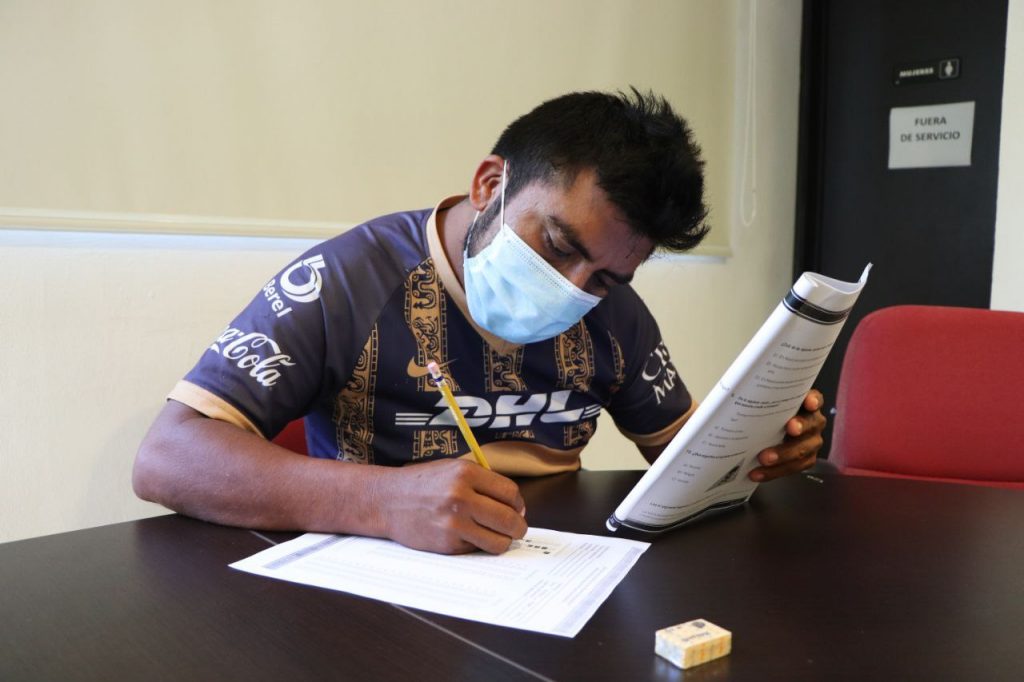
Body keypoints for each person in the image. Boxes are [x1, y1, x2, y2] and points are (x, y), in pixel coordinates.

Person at [133, 89, 825, 555]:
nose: (572, 288)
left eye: (606, 277)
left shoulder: (612, 312)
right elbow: (167, 457)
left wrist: (762, 447)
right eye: (557, 245)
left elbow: (683, 461)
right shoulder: (349, 280)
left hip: (547, 578)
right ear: (491, 185)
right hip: (370, 595)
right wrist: (382, 502)